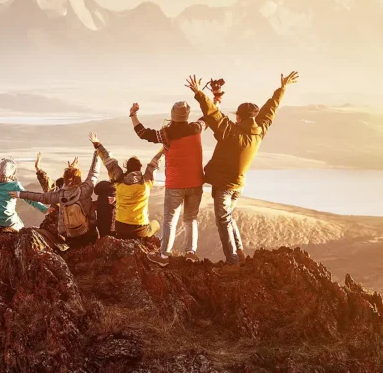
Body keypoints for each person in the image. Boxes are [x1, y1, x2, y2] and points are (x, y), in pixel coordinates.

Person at [186, 72, 300, 274]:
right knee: (228, 218)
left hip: (225, 187)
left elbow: (213, 115)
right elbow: (270, 110)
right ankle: (239, 252)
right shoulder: (260, 130)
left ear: (239, 116)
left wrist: (198, 93)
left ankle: (233, 262)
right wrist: (282, 89)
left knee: (223, 221)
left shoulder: (231, 132)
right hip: (239, 186)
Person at [130, 101, 208, 265]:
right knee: (190, 218)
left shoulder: (165, 134)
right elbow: (208, 117)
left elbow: (142, 133)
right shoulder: (196, 128)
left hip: (175, 184)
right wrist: (214, 100)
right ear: (187, 115)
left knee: (170, 221)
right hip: (195, 182)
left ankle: (164, 256)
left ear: (172, 115)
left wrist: (133, 115)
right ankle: (190, 253)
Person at [10, 150, 101, 247]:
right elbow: (93, 173)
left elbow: (40, 197)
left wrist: (20, 194)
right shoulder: (84, 191)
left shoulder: (59, 195)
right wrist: (98, 150)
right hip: (88, 232)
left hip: (70, 235)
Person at [90, 132, 165, 239]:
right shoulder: (146, 182)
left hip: (120, 228)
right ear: (140, 168)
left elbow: (109, 162)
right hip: (140, 229)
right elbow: (155, 163)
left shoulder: (119, 180)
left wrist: (97, 145)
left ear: (127, 167)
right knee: (156, 224)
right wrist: (165, 148)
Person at [0, 131, 48, 231]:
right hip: (11, 223)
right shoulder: (14, 185)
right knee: (22, 226)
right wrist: (45, 210)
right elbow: (30, 199)